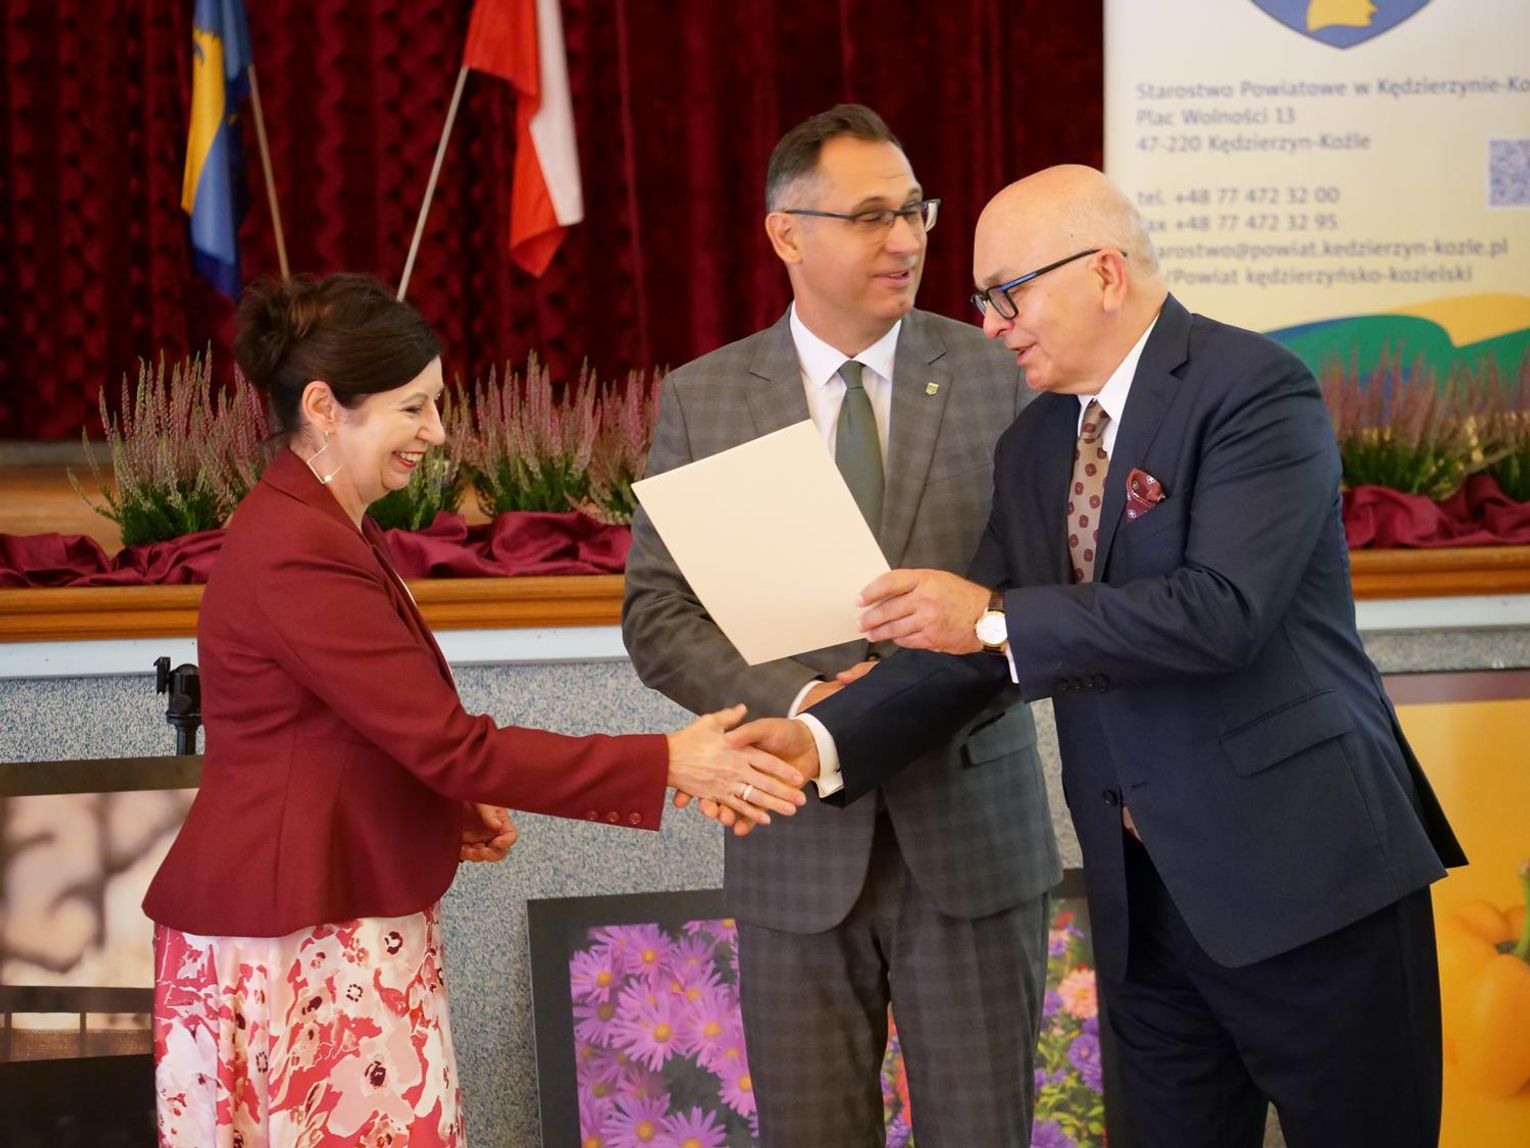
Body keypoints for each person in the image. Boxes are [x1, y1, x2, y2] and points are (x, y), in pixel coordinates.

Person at [731, 165, 1466, 1148]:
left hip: (1310, 880)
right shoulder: (1036, 442)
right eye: (982, 302)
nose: (993, 326)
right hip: (1145, 910)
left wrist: (993, 618)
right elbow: (971, 646)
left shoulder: (1253, 387)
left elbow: (1221, 613)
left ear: (1106, 273)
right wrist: (818, 738)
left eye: (1008, 294)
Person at [142, 273, 805, 1147]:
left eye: (437, 405)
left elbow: (356, 730)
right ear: (324, 407)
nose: (437, 433)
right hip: (296, 934)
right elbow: (448, 742)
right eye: (413, 408)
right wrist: (668, 762)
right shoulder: (299, 547)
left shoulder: (318, 523)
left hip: (323, 913)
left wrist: (439, 803)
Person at [623, 105, 1058, 1147]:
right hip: (795, 839)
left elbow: (1053, 593)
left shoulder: (1005, 373)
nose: (905, 240)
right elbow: (658, 611)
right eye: (870, 217)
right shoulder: (707, 397)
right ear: (786, 233)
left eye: (914, 211)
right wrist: (805, 704)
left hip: (971, 835)